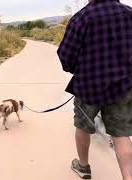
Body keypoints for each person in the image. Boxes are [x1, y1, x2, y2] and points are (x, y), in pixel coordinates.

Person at [57, 0, 132, 179]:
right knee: (121, 135)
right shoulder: (129, 14)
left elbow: (66, 57)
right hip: (122, 87)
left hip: (88, 88)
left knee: (83, 126)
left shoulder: (82, 18)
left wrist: (81, 68)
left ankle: (83, 167)